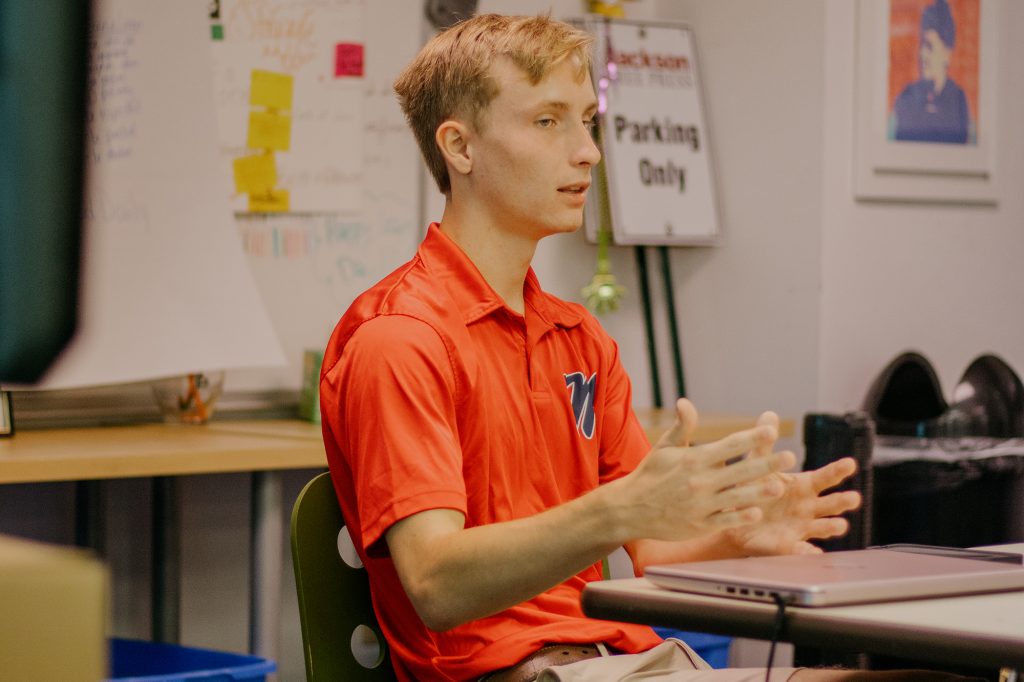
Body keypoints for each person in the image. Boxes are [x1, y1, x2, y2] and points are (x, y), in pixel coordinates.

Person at [320, 13, 979, 682]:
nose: (588, 152)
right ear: (460, 148)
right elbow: (436, 585)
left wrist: (739, 540)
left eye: (587, 121)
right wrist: (616, 510)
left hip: (626, 660)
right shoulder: (399, 338)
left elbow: (655, 544)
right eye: (548, 122)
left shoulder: (579, 339)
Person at [891, 0, 971, 144]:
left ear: (947, 53)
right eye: (921, 45)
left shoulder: (958, 101)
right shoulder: (905, 99)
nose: (922, 55)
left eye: (929, 46)